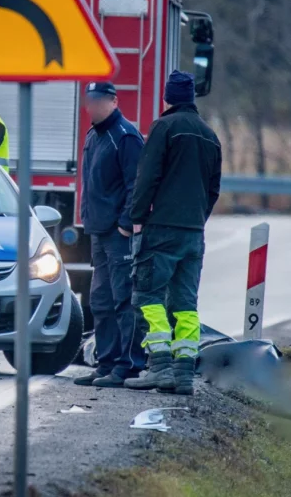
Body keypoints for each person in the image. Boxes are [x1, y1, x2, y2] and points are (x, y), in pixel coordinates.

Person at [124, 71, 222, 396]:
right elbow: (213, 190)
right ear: (191, 99)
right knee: (185, 304)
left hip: (162, 229)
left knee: (147, 297)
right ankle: (183, 375)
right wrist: (197, 219)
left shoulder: (164, 127)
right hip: (194, 233)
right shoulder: (210, 135)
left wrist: (135, 217)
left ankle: (160, 366)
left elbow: (147, 176)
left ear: (167, 98)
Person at [73, 82, 147, 388]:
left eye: (98, 100)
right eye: (89, 100)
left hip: (117, 234)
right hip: (98, 231)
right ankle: (105, 363)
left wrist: (126, 223)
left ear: (114, 101)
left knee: (123, 299)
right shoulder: (94, 134)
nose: (92, 105)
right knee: (100, 300)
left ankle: (127, 365)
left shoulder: (125, 137)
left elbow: (137, 184)